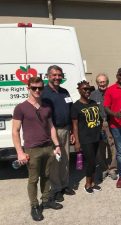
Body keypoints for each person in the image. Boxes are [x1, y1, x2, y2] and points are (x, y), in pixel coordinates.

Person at [12, 77, 63, 222]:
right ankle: (34, 206)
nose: (37, 91)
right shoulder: (21, 108)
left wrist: (57, 145)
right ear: (28, 88)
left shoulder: (46, 106)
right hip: (32, 149)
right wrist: (20, 152)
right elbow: (15, 131)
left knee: (46, 175)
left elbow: (51, 126)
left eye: (40, 88)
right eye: (34, 88)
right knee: (33, 179)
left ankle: (46, 201)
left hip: (48, 147)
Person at [41, 65, 75, 203]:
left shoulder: (65, 91)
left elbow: (71, 111)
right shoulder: (43, 93)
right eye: (54, 75)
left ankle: (64, 185)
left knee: (65, 159)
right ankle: (56, 189)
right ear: (48, 76)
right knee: (55, 161)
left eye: (59, 75)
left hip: (66, 129)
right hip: (52, 132)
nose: (57, 78)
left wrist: (72, 130)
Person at [71, 81, 102, 194]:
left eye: (88, 89)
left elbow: (98, 119)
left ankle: (93, 182)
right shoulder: (76, 106)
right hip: (85, 138)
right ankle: (87, 184)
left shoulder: (93, 103)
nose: (87, 91)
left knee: (94, 161)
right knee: (91, 162)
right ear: (79, 90)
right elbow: (74, 126)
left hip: (96, 136)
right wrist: (77, 142)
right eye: (84, 89)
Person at [90, 73, 118, 180]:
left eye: (104, 81)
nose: (102, 84)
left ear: (107, 82)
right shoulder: (93, 95)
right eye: (100, 82)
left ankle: (112, 168)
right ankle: (104, 168)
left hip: (111, 123)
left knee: (112, 147)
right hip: (98, 124)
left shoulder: (113, 92)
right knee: (100, 148)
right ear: (97, 83)